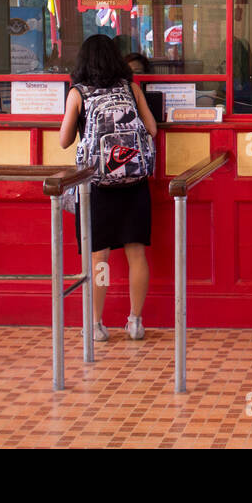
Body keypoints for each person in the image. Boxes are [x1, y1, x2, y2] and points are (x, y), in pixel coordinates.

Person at [59, 35, 158, 341]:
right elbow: (152, 130)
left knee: (98, 259)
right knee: (136, 254)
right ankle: (135, 322)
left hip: (96, 186)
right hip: (134, 180)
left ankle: (96, 325)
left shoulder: (78, 93)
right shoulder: (132, 88)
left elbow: (64, 141)